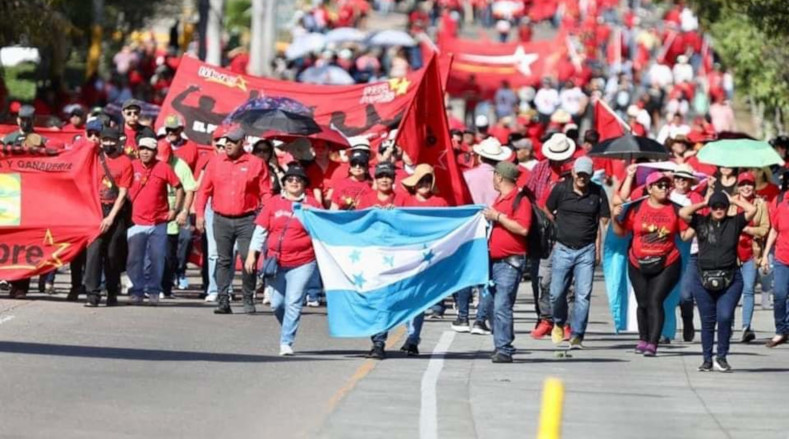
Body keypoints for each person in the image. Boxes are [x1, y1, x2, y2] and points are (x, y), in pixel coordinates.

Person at [245, 164, 321, 356]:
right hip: (275, 261)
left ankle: (286, 341)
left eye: (298, 180)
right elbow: (261, 230)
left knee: (294, 301)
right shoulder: (273, 202)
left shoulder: (312, 205)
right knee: (277, 304)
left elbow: (323, 231)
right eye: (290, 179)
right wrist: (252, 253)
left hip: (303, 260)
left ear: (304, 184)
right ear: (284, 184)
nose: (294, 182)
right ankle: (287, 325)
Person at [612, 172, 691, 356]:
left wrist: (695, 222)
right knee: (643, 302)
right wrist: (615, 217)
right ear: (649, 188)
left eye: (666, 185)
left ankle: (653, 343)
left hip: (667, 262)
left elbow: (685, 236)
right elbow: (621, 233)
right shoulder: (636, 208)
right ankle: (643, 338)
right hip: (637, 262)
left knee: (655, 300)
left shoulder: (676, 209)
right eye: (659, 185)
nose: (664, 188)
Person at [195, 126, 271, 314]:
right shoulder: (215, 162)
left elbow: (266, 192)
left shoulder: (256, 163)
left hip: (247, 219)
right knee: (223, 260)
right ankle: (223, 300)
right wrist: (198, 214)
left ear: (242, 142)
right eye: (226, 141)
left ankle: (247, 297)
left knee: (248, 258)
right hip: (221, 218)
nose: (228, 144)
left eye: (233, 141)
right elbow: (204, 190)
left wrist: (266, 216)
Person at [679, 192, 756, 372]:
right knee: (707, 320)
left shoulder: (734, 223)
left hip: (730, 279)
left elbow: (752, 210)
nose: (719, 209)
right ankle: (707, 359)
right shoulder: (701, 222)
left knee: (725, 316)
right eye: (715, 206)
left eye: (722, 206)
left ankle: (721, 357)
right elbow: (683, 213)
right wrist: (705, 202)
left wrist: (734, 199)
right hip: (703, 277)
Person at [545, 157, 610, 348]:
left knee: (583, 295)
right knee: (556, 293)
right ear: (573, 173)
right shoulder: (561, 189)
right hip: (563, 247)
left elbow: (603, 220)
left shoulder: (597, 192)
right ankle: (558, 322)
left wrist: (598, 248)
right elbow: (547, 209)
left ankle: (577, 334)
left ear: (591, 175)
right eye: (579, 174)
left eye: (586, 175)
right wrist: (556, 226)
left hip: (586, 250)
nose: (582, 178)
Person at [527, 133, 577, 339]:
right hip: (543, 231)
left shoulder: (574, 173)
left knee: (569, 281)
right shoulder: (539, 168)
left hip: (567, 229)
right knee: (543, 279)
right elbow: (530, 195)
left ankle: (566, 323)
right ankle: (546, 319)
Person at [126, 135, 184, 305]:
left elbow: (179, 187)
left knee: (157, 258)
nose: (145, 152)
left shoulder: (163, 167)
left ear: (155, 152)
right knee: (134, 259)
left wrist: (175, 209)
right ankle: (136, 290)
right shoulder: (132, 166)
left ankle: (154, 291)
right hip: (135, 221)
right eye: (142, 149)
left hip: (159, 221)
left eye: (149, 149)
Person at [483, 161, 532, 363]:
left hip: (510, 262)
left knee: (502, 304)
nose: (493, 179)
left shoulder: (520, 201)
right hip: (494, 261)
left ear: (500, 177)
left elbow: (523, 229)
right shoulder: (500, 198)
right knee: (491, 305)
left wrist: (498, 217)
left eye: (494, 175)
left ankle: (504, 348)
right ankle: (500, 343)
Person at [362, 162, 409, 360]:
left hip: (395, 257)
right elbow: (356, 225)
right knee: (375, 300)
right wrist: (368, 215)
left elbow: (410, 225)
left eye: (388, 176)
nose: (384, 179)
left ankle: (384, 341)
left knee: (388, 300)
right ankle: (377, 340)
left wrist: (396, 215)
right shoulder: (366, 199)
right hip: (371, 256)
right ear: (375, 179)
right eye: (380, 175)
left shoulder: (403, 199)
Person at [83, 127, 133, 307]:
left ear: (118, 142)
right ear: (101, 141)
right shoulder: (94, 157)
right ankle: (92, 295)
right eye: (105, 140)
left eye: (112, 141)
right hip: (95, 211)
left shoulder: (125, 162)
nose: (109, 144)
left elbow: (123, 193)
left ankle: (112, 291)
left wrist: (111, 217)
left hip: (115, 213)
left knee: (112, 255)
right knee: (93, 253)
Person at [730, 172, 770, 342]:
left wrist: (749, 230)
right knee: (730, 291)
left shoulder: (760, 204)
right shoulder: (731, 202)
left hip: (751, 253)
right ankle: (728, 324)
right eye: (743, 184)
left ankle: (746, 327)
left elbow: (765, 228)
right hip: (731, 253)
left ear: (754, 186)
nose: (746, 187)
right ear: (738, 186)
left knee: (748, 290)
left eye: (750, 184)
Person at [158, 141, 197, 298]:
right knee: (153, 252)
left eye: (167, 159)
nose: (164, 163)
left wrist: (185, 211)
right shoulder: (151, 163)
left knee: (169, 252)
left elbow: (189, 189)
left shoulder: (181, 166)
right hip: (156, 213)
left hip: (175, 213)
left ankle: (167, 285)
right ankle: (150, 284)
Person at [762, 175, 789, 348]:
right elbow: (773, 230)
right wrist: (765, 255)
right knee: (779, 294)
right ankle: (781, 330)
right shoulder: (780, 201)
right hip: (782, 257)